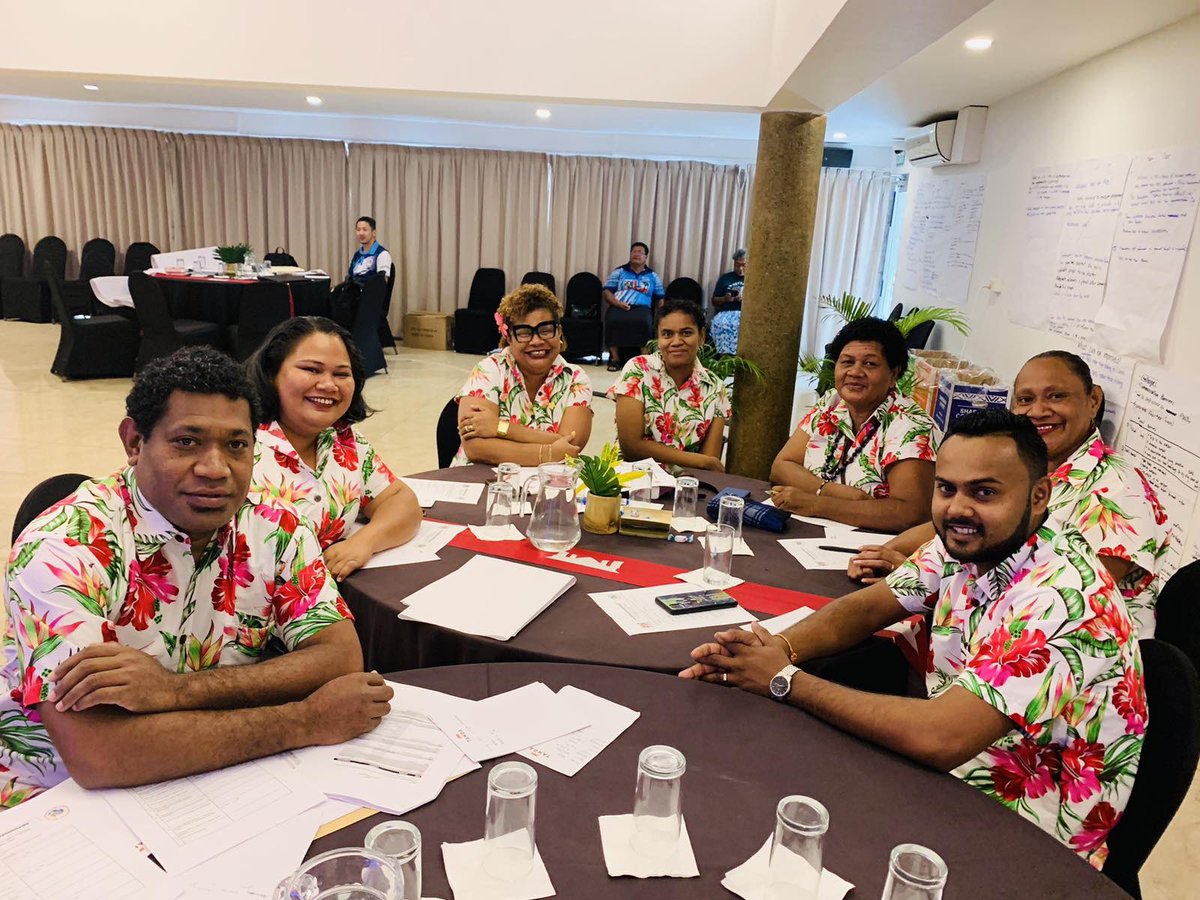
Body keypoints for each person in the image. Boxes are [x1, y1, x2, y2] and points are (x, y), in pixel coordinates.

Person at [681, 410, 1145, 869]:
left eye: (984, 492)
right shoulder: (967, 542)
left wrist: (782, 680)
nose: (958, 507)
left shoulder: (1061, 596)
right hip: (954, 768)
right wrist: (772, 648)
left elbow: (941, 736)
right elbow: (866, 609)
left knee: (776, 823)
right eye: (947, 489)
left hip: (1023, 832)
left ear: (1039, 495)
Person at [1, 347, 391, 806]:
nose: (215, 469)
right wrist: (304, 720)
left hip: (218, 769)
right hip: (59, 799)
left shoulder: (276, 526)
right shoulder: (66, 546)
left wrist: (170, 690)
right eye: (187, 441)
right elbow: (100, 753)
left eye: (236, 445)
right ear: (134, 442)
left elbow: (339, 656)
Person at [848, 350, 1170, 638]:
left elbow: (1071, 597)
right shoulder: (1030, 467)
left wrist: (919, 574)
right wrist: (880, 554)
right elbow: (949, 525)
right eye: (1025, 400)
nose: (1038, 411)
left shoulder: (1119, 491)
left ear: (1093, 401)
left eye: (1056, 396)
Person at [246, 316, 422, 580]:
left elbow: (401, 501)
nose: (328, 385)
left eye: (341, 374)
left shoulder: (344, 439)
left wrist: (364, 542)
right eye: (312, 370)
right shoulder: (240, 445)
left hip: (330, 599)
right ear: (272, 373)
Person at [770, 317, 936, 532]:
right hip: (806, 533)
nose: (855, 372)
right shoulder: (831, 403)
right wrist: (832, 491)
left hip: (870, 547)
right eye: (847, 362)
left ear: (893, 374)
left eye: (869, 364)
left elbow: (910, 514)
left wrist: (816, 503)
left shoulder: (911, 426)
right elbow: (782, 466)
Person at [454, 283, 592, 466]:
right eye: (524, 333)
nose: (536, 341)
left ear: (559, 332)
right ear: (508, 337)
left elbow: (571, 445)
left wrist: (500, 427)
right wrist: (550, 452)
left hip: (549, 486)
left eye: (546, 330)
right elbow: (476, 447)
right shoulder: (489, 370)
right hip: (481, 482)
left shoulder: (576, 379)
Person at [609, 298, 730, 472]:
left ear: (702, 336)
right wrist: (702, 462)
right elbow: (630, 447)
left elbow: (708, 465)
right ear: (658, 339)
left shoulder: (716, 388)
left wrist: (704, 464)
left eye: (686, 333)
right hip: (632, 479)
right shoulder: (638, 369)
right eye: (667, 334)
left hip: (686, 486)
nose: (676, 341)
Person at [603, 241, 666, 371]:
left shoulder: (652, 276)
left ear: (645, 257)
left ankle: (644, 359)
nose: (636, 254)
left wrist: (663, 315)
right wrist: (617, 303)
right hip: (619, 305)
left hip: (642, 308)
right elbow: (607, 292)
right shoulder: (620, 271)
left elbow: (660, 297)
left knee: (644, 322)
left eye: (640, 252)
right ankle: (614, 359)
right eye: (634, 251)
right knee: (612, 320)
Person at [710, 249, 747, 355]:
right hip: (726, 313)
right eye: (737, 265)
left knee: (740, 326)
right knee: (721, 324)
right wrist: (725, 299)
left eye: (743, 265)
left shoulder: (754, 279)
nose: (740, 269)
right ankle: (724, 356)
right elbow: (714, 300)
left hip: (745, 314)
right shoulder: (725, 278)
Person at [348, 215, 392, 284]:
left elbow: (382, 284)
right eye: (358, 230)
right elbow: (349, 278)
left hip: (369, 293)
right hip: (353, 292)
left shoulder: (382, 254)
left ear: (374, 233)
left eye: (365, 230)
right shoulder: (357, 255)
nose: (361, 233)